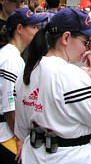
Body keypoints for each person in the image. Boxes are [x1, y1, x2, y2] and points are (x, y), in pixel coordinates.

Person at [14, 7, 91, 163]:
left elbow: (21, 129)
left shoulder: (28, 70)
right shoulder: (70, 75)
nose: (88, 47)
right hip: (71, 157)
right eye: (86, 41)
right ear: (66, 38)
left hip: (35, 155)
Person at [0, 8, 46, 163]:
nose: (37, 31)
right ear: (19, 29)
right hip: (5, 135)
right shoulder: (11, 59)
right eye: (33, 27)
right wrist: (19, 138)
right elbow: (9, 106)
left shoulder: (10, 55)